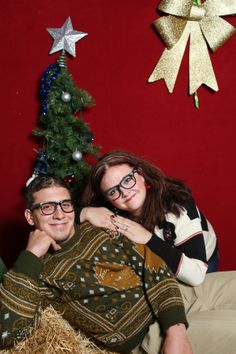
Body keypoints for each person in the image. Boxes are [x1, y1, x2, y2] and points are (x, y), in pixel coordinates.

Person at [0, 174, 192, 354]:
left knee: (223, 284)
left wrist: (175, 328)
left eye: (65, 204)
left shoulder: (99, 229)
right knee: (222, 328)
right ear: (29, 216)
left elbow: (154, 266)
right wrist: (31, 256)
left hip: (172, 303)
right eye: (47, 207)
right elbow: (8, 335)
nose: (59, 214)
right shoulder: (35, 271)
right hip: (150, 334)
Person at [79, 150, 218, 286]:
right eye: (113, 191)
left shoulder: (178, 206)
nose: (125, 192)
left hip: (198, 262)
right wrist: (86, 212)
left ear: (140, 174)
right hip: (159, 266)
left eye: (127, 180)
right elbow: (62, 212)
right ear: (106, 199)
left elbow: (196, 275)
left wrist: (147, 238)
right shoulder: (109, 210)